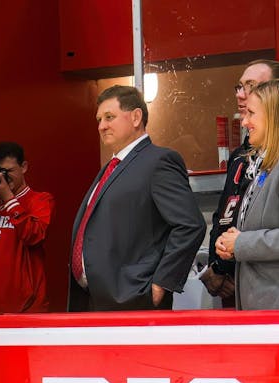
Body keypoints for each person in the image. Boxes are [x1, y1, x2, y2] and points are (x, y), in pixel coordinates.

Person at [68, 85, 205, 311]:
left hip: (135, 299)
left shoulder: (159, 161)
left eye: (109, 117)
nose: (101, 126)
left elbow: (190, 225)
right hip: (93, 300)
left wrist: (161, 283)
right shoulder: (110, 168)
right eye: (99, 120)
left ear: (136, 117)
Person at [202, 59, 279, 304]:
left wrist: (241, 243)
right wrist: (224, 253)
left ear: (273, 113)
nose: (244, 122)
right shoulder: (258, 162)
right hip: (254, 302)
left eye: (252, 114)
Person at [0, 141, 52, 315]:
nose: (4, 177)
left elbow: (34, 235)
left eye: (8, 171)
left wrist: (8, 198)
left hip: (25, 308)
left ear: (24, 167)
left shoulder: (40, 200)